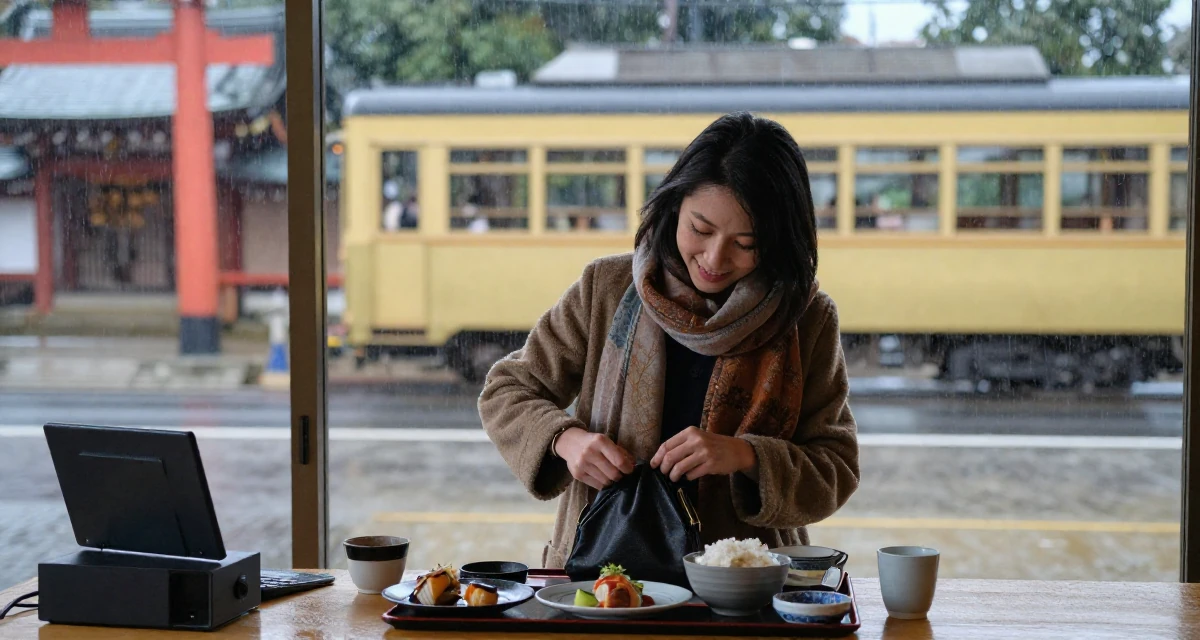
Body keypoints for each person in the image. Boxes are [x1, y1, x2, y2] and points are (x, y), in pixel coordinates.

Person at [478, 112, 860, 570]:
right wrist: (567, 440)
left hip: (742, 581)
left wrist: (744, 455)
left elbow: (835, 465)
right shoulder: (607, 288)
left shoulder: (806, 319)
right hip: (602, 574)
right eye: (700, 229)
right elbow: (506, 390)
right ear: (674, 205)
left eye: (745, 243)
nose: (715, 258)